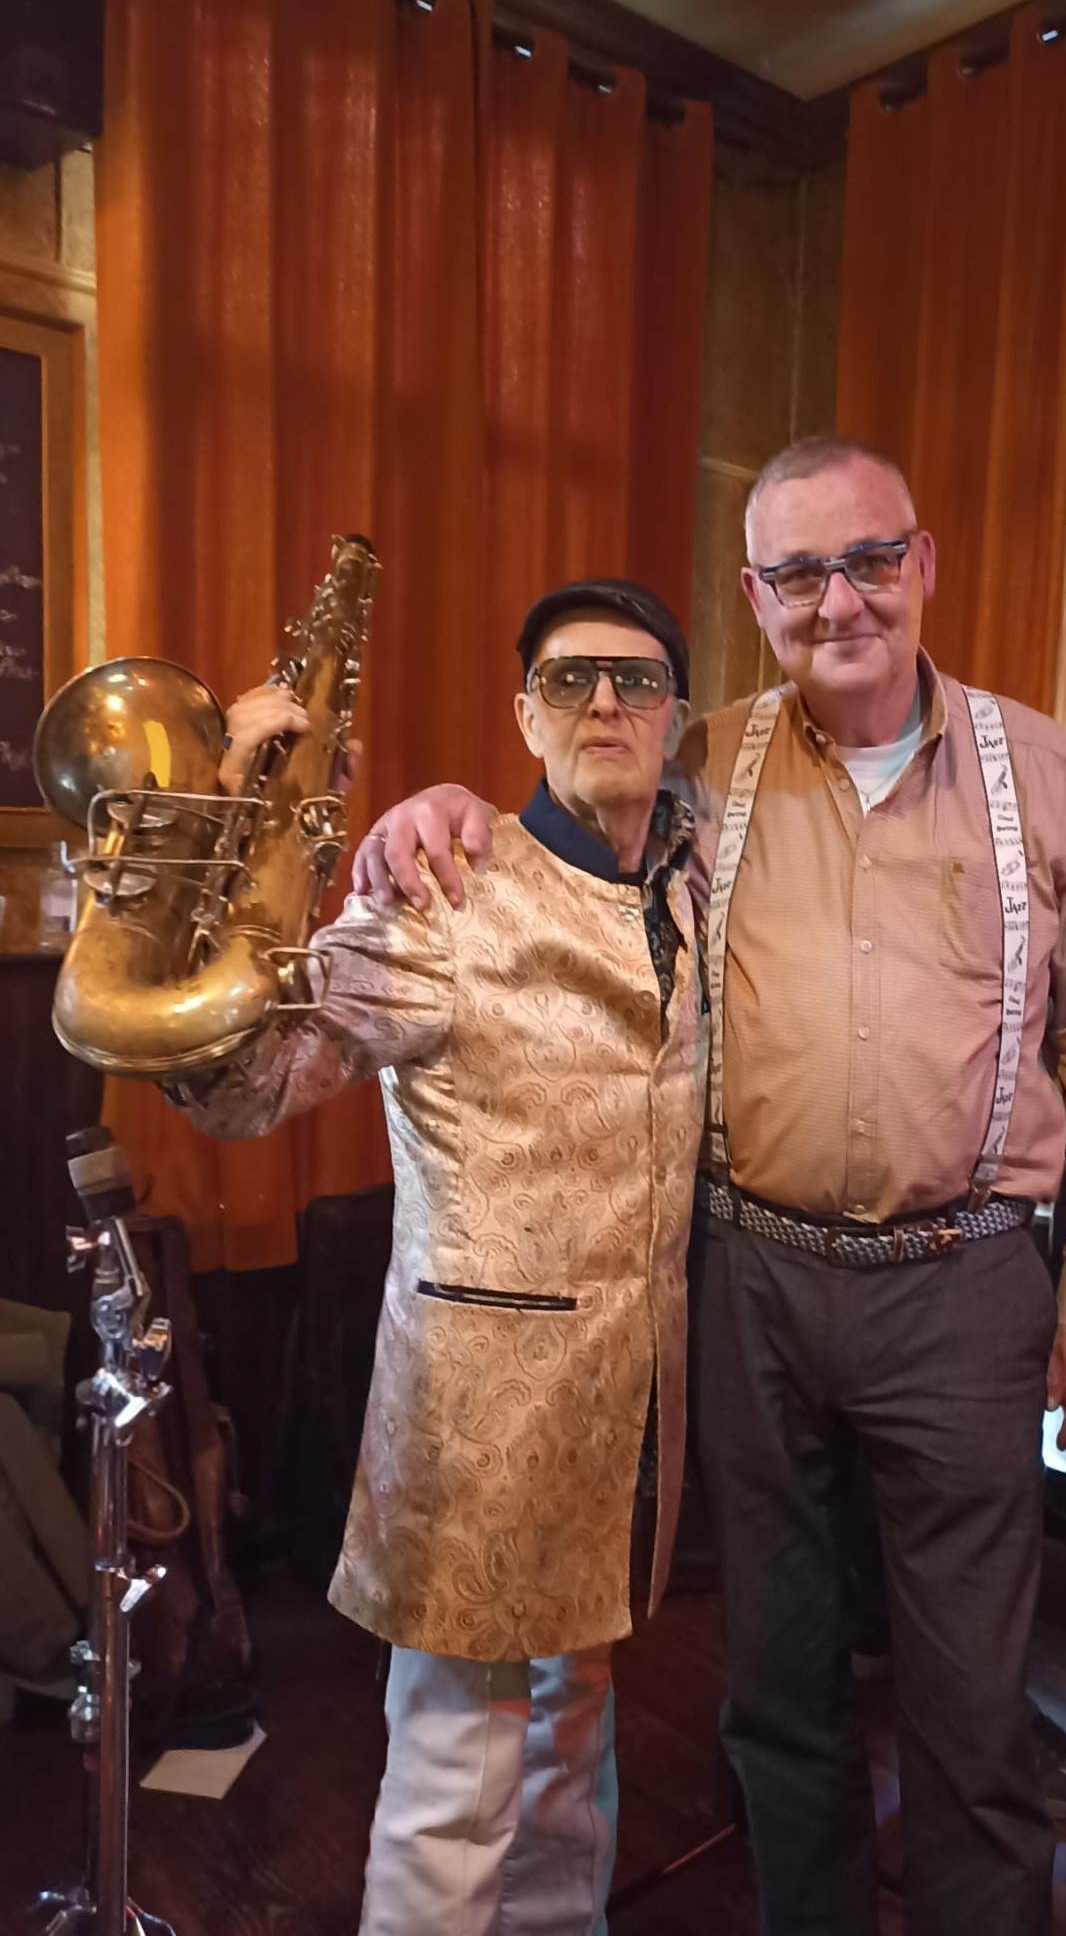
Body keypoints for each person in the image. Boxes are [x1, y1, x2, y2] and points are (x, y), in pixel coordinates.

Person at [354, 437, 1066, 1935]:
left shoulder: (1048, 776)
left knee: (971, 1708)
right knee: (778, 1688)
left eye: (869, 560)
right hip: (748, 1283)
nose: (840, 602)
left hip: (966, 1283)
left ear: (923, 564)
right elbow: (567, 803)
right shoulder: (705, 760)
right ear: (756, 599)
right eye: (800, 574)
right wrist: (440, 807)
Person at [173, 579, 706, 1936]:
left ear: (676, 717)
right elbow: (245, 1084)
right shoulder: (444, 892)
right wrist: (231, 825)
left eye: (638, 680)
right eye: (571, 679)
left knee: (575, 1743)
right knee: (454, 1780)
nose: (605, 702)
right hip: (478, 1422)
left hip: (628, 1414)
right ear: (525, 714)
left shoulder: (695, 890)